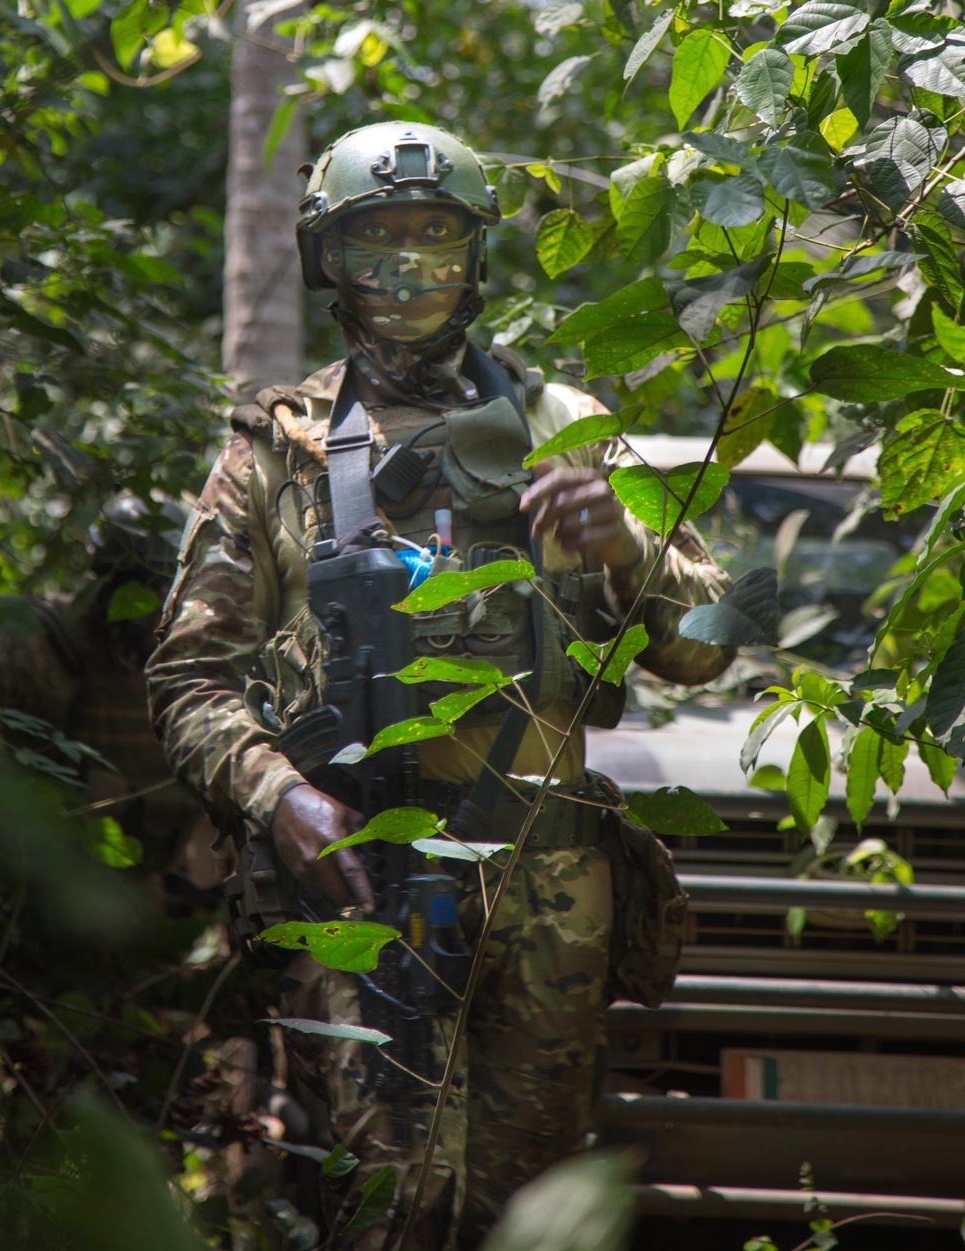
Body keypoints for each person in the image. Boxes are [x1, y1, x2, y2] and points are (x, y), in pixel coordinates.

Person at [146, 122, 735, 1249]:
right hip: (361, 885)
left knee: (533, 1215)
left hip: (548, 896)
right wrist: (282, 798)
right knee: (389, 1206)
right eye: (377, 240)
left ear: (474, 258)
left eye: (435, 237)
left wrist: (628, 548)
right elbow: (191, 676)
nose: (409, 268)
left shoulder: (568, 430)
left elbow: (705, 646)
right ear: (331, 259)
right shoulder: (278, 450)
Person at [0, 494, 226, 904]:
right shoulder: (43, 649)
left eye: (177, 588)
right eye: (156, 587)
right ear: (111, 583)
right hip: (45, 901)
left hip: (148, 899)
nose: (167, 607)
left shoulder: (186, 659)